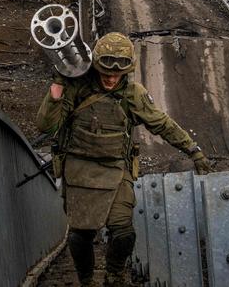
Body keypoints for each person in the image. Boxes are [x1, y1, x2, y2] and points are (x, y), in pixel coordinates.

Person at [35, 32, 211, 286]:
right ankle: (86, 280)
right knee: (80, 235)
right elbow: (46, 126)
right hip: (80, 172)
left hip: (117, 171)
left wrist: (193, 150)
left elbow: (162, 124)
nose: (110, 78)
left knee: (123, 232)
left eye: (117, 73)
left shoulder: (132, 93)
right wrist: (58, 88)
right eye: (106, 71)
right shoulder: (76, 88)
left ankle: (115, 276)